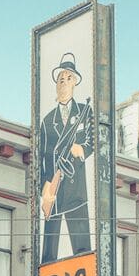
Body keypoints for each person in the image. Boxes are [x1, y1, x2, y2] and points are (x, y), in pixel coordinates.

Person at [38, 52, 94, 264]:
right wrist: (44, 188)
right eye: (60, 79)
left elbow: (92, 141)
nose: (63, 82)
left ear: (75, 82)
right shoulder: (47, 120)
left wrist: (82, 149)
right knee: (49, 251)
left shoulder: (84, 111)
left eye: (68, 78)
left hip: (75, 188)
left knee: (82, 251)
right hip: (53, 188)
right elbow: (42, 155)